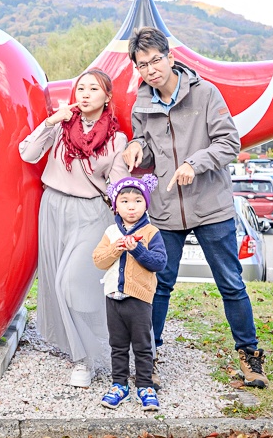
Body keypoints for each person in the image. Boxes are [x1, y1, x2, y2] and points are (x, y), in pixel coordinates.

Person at [121, 26, 269, 389]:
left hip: (212, 206)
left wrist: (194, 162)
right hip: (168, 209)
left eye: (156, 60)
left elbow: (229, 142)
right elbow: (150, 149)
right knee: (158, 285)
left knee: (231, 284)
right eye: (143, 65)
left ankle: (250, 357)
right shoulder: (141, 104)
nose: (152, 69)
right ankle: (147, 359)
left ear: (170, 57)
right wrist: (137, 148)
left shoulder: (205, 93)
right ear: (137, 70)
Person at [19, 69, 129, 387]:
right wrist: (52, 121)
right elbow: (27, 152)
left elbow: (118, 185)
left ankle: (85, 360)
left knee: (72, 282)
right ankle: (77, 346)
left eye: (93, 89)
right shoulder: (61, 128)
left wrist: (128, 220)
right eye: (80, 88)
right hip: (52, 207)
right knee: (56, 283)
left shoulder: (116, 139)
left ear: (107, 97)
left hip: (92, 212)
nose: (84, 94)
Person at [92, 175, 167, 411]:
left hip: (139, 299)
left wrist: (138, 251)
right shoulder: (111, 232)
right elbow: (98, 260)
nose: (131, 206)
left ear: (146, 204)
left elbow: (159, 262)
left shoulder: (151, 232)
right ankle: (119, 385)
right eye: (124, 201)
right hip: (113, 297)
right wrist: (116, 248)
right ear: (116, 206)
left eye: (137, 200)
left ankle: (144, 385)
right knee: (118, 344)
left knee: (143, 345)